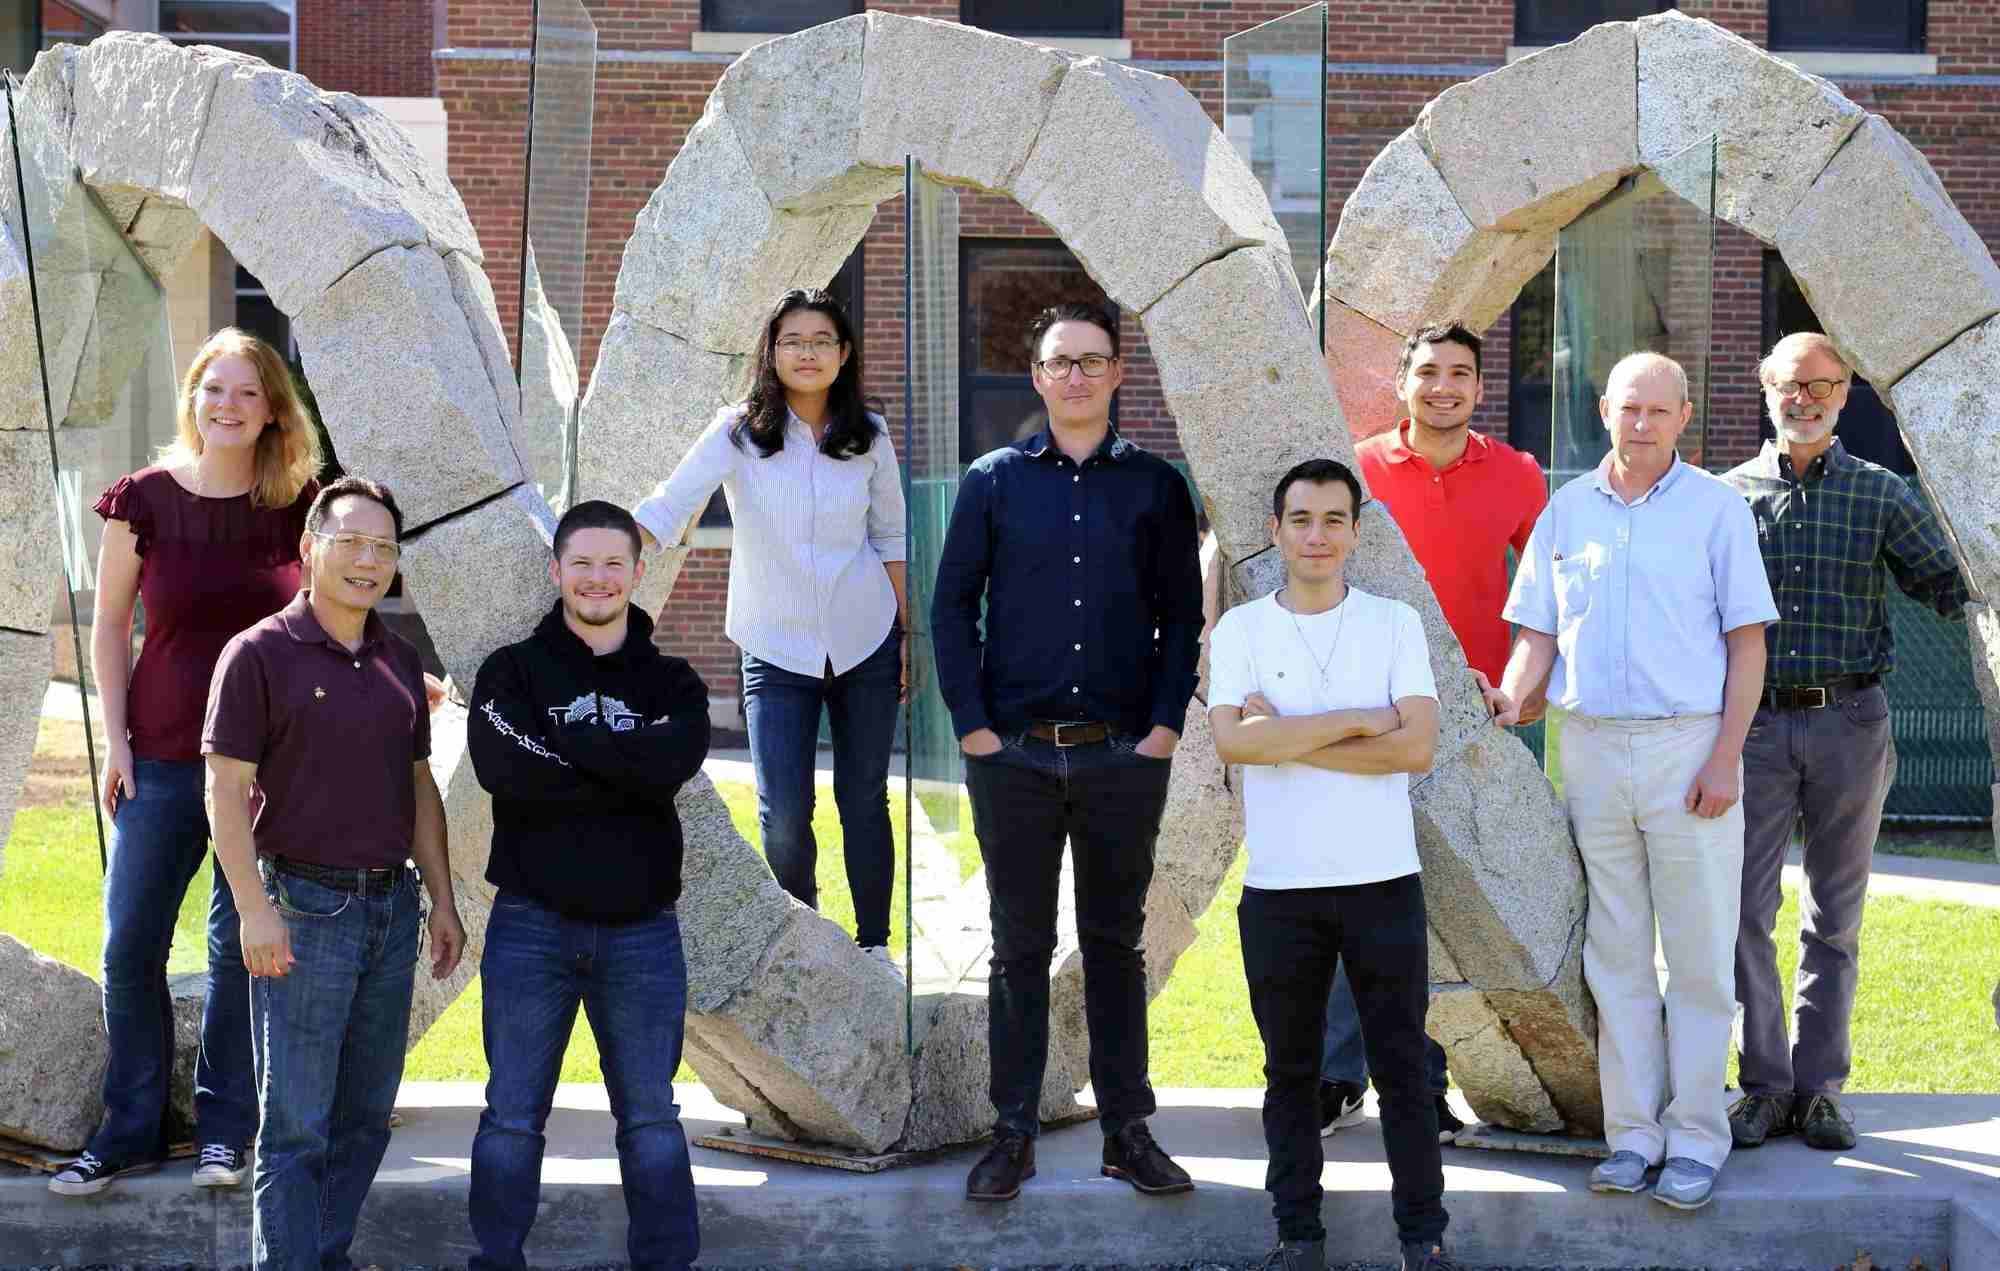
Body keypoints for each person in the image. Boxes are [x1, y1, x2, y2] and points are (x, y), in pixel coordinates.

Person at [933, 300, 1202, 1203]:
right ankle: (1013, 1131)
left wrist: (1163, 728)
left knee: (1115, 945)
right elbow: (948, 608)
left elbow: (1181, 619)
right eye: (1061, 362)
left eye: (1093, 360)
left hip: (1122, 755)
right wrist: (973, 725)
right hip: (1012, 755)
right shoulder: (994, 481)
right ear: (1038, 375)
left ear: (1119, 371)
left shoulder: (1159, 487)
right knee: (1017, 947)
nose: (1077, 375)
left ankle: (1128, 1129)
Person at [1497, 353, 1776, 1211]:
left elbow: (1746, 644)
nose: (1642, 423)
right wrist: (1509, 697)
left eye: (1659, 409)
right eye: (1629, 408)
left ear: (1684, 416)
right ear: (1603, 409)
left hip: (1686, 746)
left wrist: (1726, 755)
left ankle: (1696, 1137)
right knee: (1614, 954)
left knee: (1696, 956)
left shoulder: (1717, 511)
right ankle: (1633, 1136)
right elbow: (1537, 635)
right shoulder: (1566, 510)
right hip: (1586, 747)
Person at [49, 329, 320, 1198]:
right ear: (194, 399)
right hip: (161, 758)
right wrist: (116, 739)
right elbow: (108, 627)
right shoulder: (145, 500)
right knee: (129, 945)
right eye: (215, 389)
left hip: (260, 769)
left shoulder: (299, 504)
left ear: (273, 407)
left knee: (241, 945)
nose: (229, 406)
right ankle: (129, 1129)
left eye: (247, 393)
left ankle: (225, 1130)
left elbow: (324, 621)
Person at [203, 476, 466, 1270]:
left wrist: (444, 902)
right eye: (350, 541)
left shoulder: (398, 660)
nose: (368, 559)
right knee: (295, 1124)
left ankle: (320, 1253)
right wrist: (252, 909)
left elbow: (418, 786)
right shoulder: (258, 653)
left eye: (383, 547)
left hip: (393, 910)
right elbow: (220, 788)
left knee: (362, 1116)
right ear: (310, 548)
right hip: (304, 909)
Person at [1721, 333, 1968, 1152]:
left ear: (1846, 390)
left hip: (1850, 723)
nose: (1806, 397)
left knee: (1836, 912)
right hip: (1749, 728)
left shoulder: (1881, 493)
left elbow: (1952, 581)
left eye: (1822, 384)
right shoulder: (1721, 499)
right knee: (1743, 912)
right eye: (1792, 384)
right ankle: (1763, 1087)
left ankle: (1820, 1088)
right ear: (1766, 387)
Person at [1210, 459, 1458, 1271]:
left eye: (1332, 519)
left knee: (1401, 1070)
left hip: (1381, 881)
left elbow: (1415, 747)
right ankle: (1297, 1236)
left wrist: (1294, 736)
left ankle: (1423, 1238)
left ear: (1356, 530)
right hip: (1280, 889)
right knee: (1290, 1074)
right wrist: (1359, 721)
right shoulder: (1242, 630)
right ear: (1276, 530)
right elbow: (1235, 742)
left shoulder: (1394, 622)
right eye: (1301, 519)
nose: (1316, 535)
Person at [464, 499, 710, 1271]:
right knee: (511, 1116)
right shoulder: (510, 671)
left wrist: (565, 747)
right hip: (530, 926)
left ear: (638, 573)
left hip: (642, 931)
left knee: (651, 1120)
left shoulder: (674, 681)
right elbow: (505, 770)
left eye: (614, 564)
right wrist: (623, 764)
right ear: (556, 571)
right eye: (582, 563)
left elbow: (671, 766)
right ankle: (496, 1261)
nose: (598, 578)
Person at [633, 288, 907, 964]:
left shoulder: (869, 436)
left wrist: (908, 637)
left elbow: (893, 537)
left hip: (865, 638)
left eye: (821, 340)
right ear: (772, 353)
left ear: (844, 354)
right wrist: (606, 552)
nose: (807, 352)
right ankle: (807, 942)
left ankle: (875, 944)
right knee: (784, 811)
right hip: (774, 647)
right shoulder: (738, 431)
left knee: (863, 798)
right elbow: (671, 503)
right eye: (792, 340)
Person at [1326, 321, 1546, 1141]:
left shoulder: (1519, 475)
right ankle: (1336, 1075)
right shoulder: (1361, 467)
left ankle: (1427, 1083)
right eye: (1428, 372)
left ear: (1480, 387)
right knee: (1354, 901)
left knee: (1456, 910)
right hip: (1372, 719)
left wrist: (1521, 693)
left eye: (1460, 373)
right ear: (1402, 381)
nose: (1443, 386)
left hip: (1483, 727)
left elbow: (1548, 604)